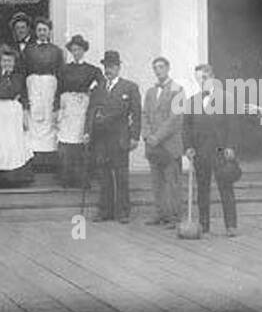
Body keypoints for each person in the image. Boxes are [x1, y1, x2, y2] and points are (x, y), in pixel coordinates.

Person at [183, 64, 238, 236]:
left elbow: (234, 125)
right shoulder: (192, 101)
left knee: (226, 188)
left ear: (212, 77)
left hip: (221, 151)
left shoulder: (226, 99)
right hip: (201, 152)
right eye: (198, 79)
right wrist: (188, 147)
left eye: (204, 78)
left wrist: (231, 146)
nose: (202, 82)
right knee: (202, 190)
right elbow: (186, 128)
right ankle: (204, 224)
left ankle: (231, 225)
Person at [86, 51, 141, 222]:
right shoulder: (98, 89)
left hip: (119, 138)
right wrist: (87, 132)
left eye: (111, 66)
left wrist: (134, 137)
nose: (108, 70)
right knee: (103, 176)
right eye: (106, 67)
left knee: (121, 176)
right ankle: (105, 210)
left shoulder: (129, 87)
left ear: (118, 67)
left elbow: (136, 114)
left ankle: (123, 211)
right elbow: (91, 112)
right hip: (101, 139)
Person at [0, 45, 34, 187]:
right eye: (4, 61)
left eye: (10, 61)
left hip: (14, 113)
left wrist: (24, 118)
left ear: (14, 62)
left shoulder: (19, 78)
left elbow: (24, 99)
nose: (7, 64)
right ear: (0, 62)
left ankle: (17, 177)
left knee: (14, 141)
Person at [142, 56, 184, 225]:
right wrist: (146, 135)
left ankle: (174, 216)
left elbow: (175, 119)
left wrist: (157, 137)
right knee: (156, 181)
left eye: (161, 67)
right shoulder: (151, 92)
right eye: (155, 68)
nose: (158, 70)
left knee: (172, 182)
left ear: (168, 68)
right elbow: (144, 114)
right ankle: (160, 213)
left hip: (169, 144)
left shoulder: (178, 89)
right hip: (152, 145)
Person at [55, 34, 100, 188]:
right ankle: (67, 179)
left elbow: (100, 86)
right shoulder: (64, 69)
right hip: (68, 107)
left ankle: (82, 179)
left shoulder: (92, 70)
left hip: (83, 108)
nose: (76, 52)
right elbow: (59, 89)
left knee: (81, 140)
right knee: (67, 142)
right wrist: (57, 109)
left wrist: (90, 91)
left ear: (84, 50)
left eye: (79, 49)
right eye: (73, 50)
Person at [19, 17, 63, 172]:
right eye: (39, 30)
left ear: (49, 31)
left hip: (50, 86)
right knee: (34, 121)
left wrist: (58, 99)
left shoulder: (56, 51)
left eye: (45, 29)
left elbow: (61, 74)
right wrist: (24, 98)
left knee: (49, 121)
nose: (42, 33)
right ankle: (34, 160)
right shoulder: (28, 50)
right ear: (35, 32)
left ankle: (49, 162)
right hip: (33, 87)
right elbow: (22, 73)